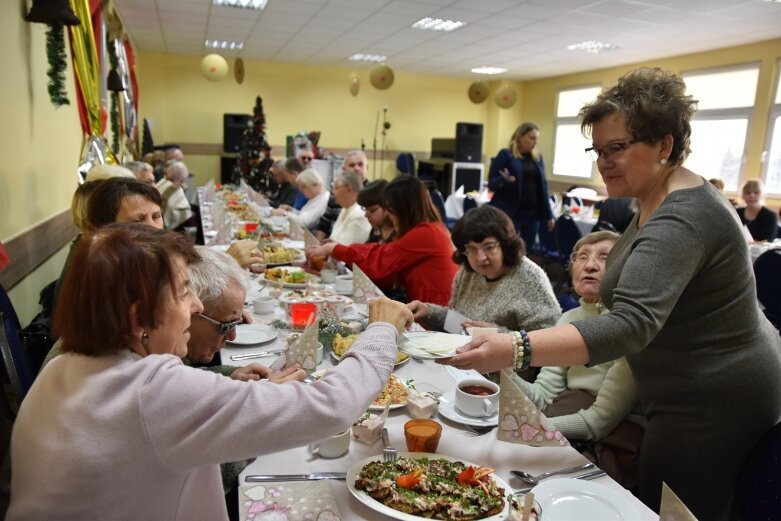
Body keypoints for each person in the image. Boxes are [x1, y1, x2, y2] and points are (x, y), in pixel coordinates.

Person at [440, 68, 781, 520]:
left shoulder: (683, 217)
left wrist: (516, 347)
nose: (603, 161)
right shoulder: (653, 198)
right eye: (598, 150)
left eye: (617, 148)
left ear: (664, 144)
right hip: (675, 388)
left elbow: (631, 323)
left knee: (678, 507)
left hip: (712, 397)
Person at [7, 223, 412, 520]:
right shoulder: (154, 392)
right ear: (138, 318)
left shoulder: (59, 367)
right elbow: (332, 406)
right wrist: (381, 331)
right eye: (184, 291)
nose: (197, 307)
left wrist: (221, 388)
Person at [511, 231, 642, 488]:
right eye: (582, 257)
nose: (590, 265)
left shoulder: (632, 324)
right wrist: (499, 370)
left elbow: (599, 422)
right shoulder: (570, 318)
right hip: (569, 419)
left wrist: (532, 427)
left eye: (605, 258)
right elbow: (543, 395)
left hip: (611, 439)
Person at [407, 205, 559, 334]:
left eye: (489, 247)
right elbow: (459, 324)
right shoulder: (468, 272)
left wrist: (496, 334)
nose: (480, 258)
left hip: (506, 367)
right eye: (471, 250)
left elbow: (547, 343)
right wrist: (429, 311)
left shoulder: (530, 279)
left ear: (506, 244)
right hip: (466, 359)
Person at [307, 175, 457, 305]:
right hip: (424, 306)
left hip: (433, 315)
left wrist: (335, 249)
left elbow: (380, 260)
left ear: (405, 209)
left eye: (391, 210)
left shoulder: (427, 233)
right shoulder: (430, 228)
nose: (390, 215)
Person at [488, 122, 555, 248]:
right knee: (508, 249)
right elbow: (492, 184)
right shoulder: (506, 155)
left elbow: (543, 187)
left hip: (532, 214)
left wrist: (549, 215)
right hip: (511, 213)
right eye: (531, 138)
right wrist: (504, 180)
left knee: (526, 250)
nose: (535, 142)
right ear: (520, 137)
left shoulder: (537, 157)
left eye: (536, 139)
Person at [272, 168, 330, 233]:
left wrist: (285, 214)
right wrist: (292, 210)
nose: (301, 190)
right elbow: (303, 214)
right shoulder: (315, 197)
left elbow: (305, 223)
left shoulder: (324, 199)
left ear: (314, 185)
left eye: (303, 187)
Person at [321, 171, 372, 244]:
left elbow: (348, 251)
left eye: (336, 188)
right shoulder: (346, 208)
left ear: (349, 189)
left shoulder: (360, 215)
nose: (333, 192)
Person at [156, 160, 194, 230]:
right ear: (182, 179)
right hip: (164, 230)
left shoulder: (161, 182)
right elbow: (186, 215)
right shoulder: (177, 191)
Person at [358, 179, 395, 243]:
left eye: (372, 210)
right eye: (365, 209)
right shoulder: (376, 230)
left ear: (388, 206)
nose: (366, 215)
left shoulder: (400, 234)